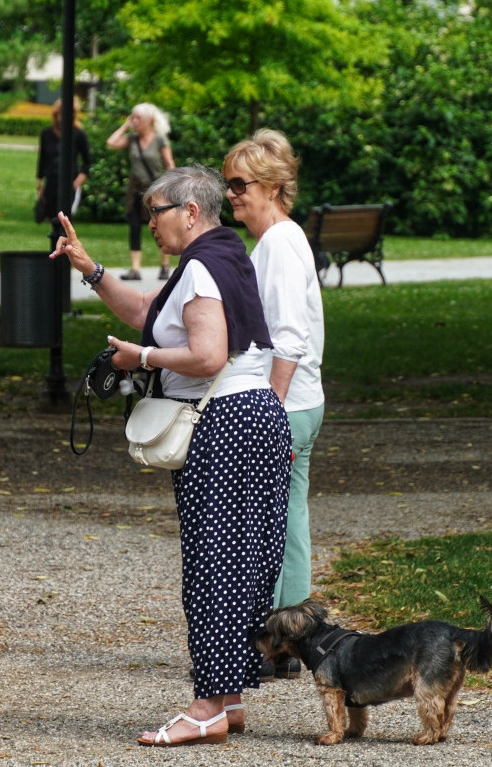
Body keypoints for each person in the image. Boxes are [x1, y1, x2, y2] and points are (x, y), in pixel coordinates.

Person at [50, 166, 291, 747]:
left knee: (214, 568)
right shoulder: (223, 253)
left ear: (188, 211)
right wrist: (93, 271)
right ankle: (227, 700)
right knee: (241, 566)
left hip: (227, 424)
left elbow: (206, 354)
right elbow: (146, 313)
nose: (148, 223)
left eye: (154, 212)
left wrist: (145, 360)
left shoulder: (203, 264)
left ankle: (206, 707)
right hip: (256, 420)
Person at [223, 130, 325, 680]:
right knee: (285, 523)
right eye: (228, 184)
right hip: (293, 402)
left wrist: (271, 412)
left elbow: (288, 337)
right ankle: (286, 640)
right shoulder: (274, 242)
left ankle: (281, 643)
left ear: (272, 186)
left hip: (287, 404)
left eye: (239, 185)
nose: (231, 194)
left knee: (276, 528)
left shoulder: (281, 244)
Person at [105, 102, 175, 281]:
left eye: (138, 118)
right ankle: (135, 269)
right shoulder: (132, 139)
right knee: (134, 228)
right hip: (135, 190)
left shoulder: (160, 139)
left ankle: (165, 265)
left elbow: (169, 164)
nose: (135, 121)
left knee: (158, 228)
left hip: (155, 190)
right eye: (133, 117)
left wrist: (168, 187)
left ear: (149, 120)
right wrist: (126, 126)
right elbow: (111, 142)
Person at [36, 97, 91, 221]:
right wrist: (39, 183)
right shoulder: (46, 134)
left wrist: (77, 183)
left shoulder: (79, 135)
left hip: (69, 182)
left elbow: (87, 162)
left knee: (65, 219)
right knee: (51, 218)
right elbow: (42, 159)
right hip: (51, 181)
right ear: (56, 114)